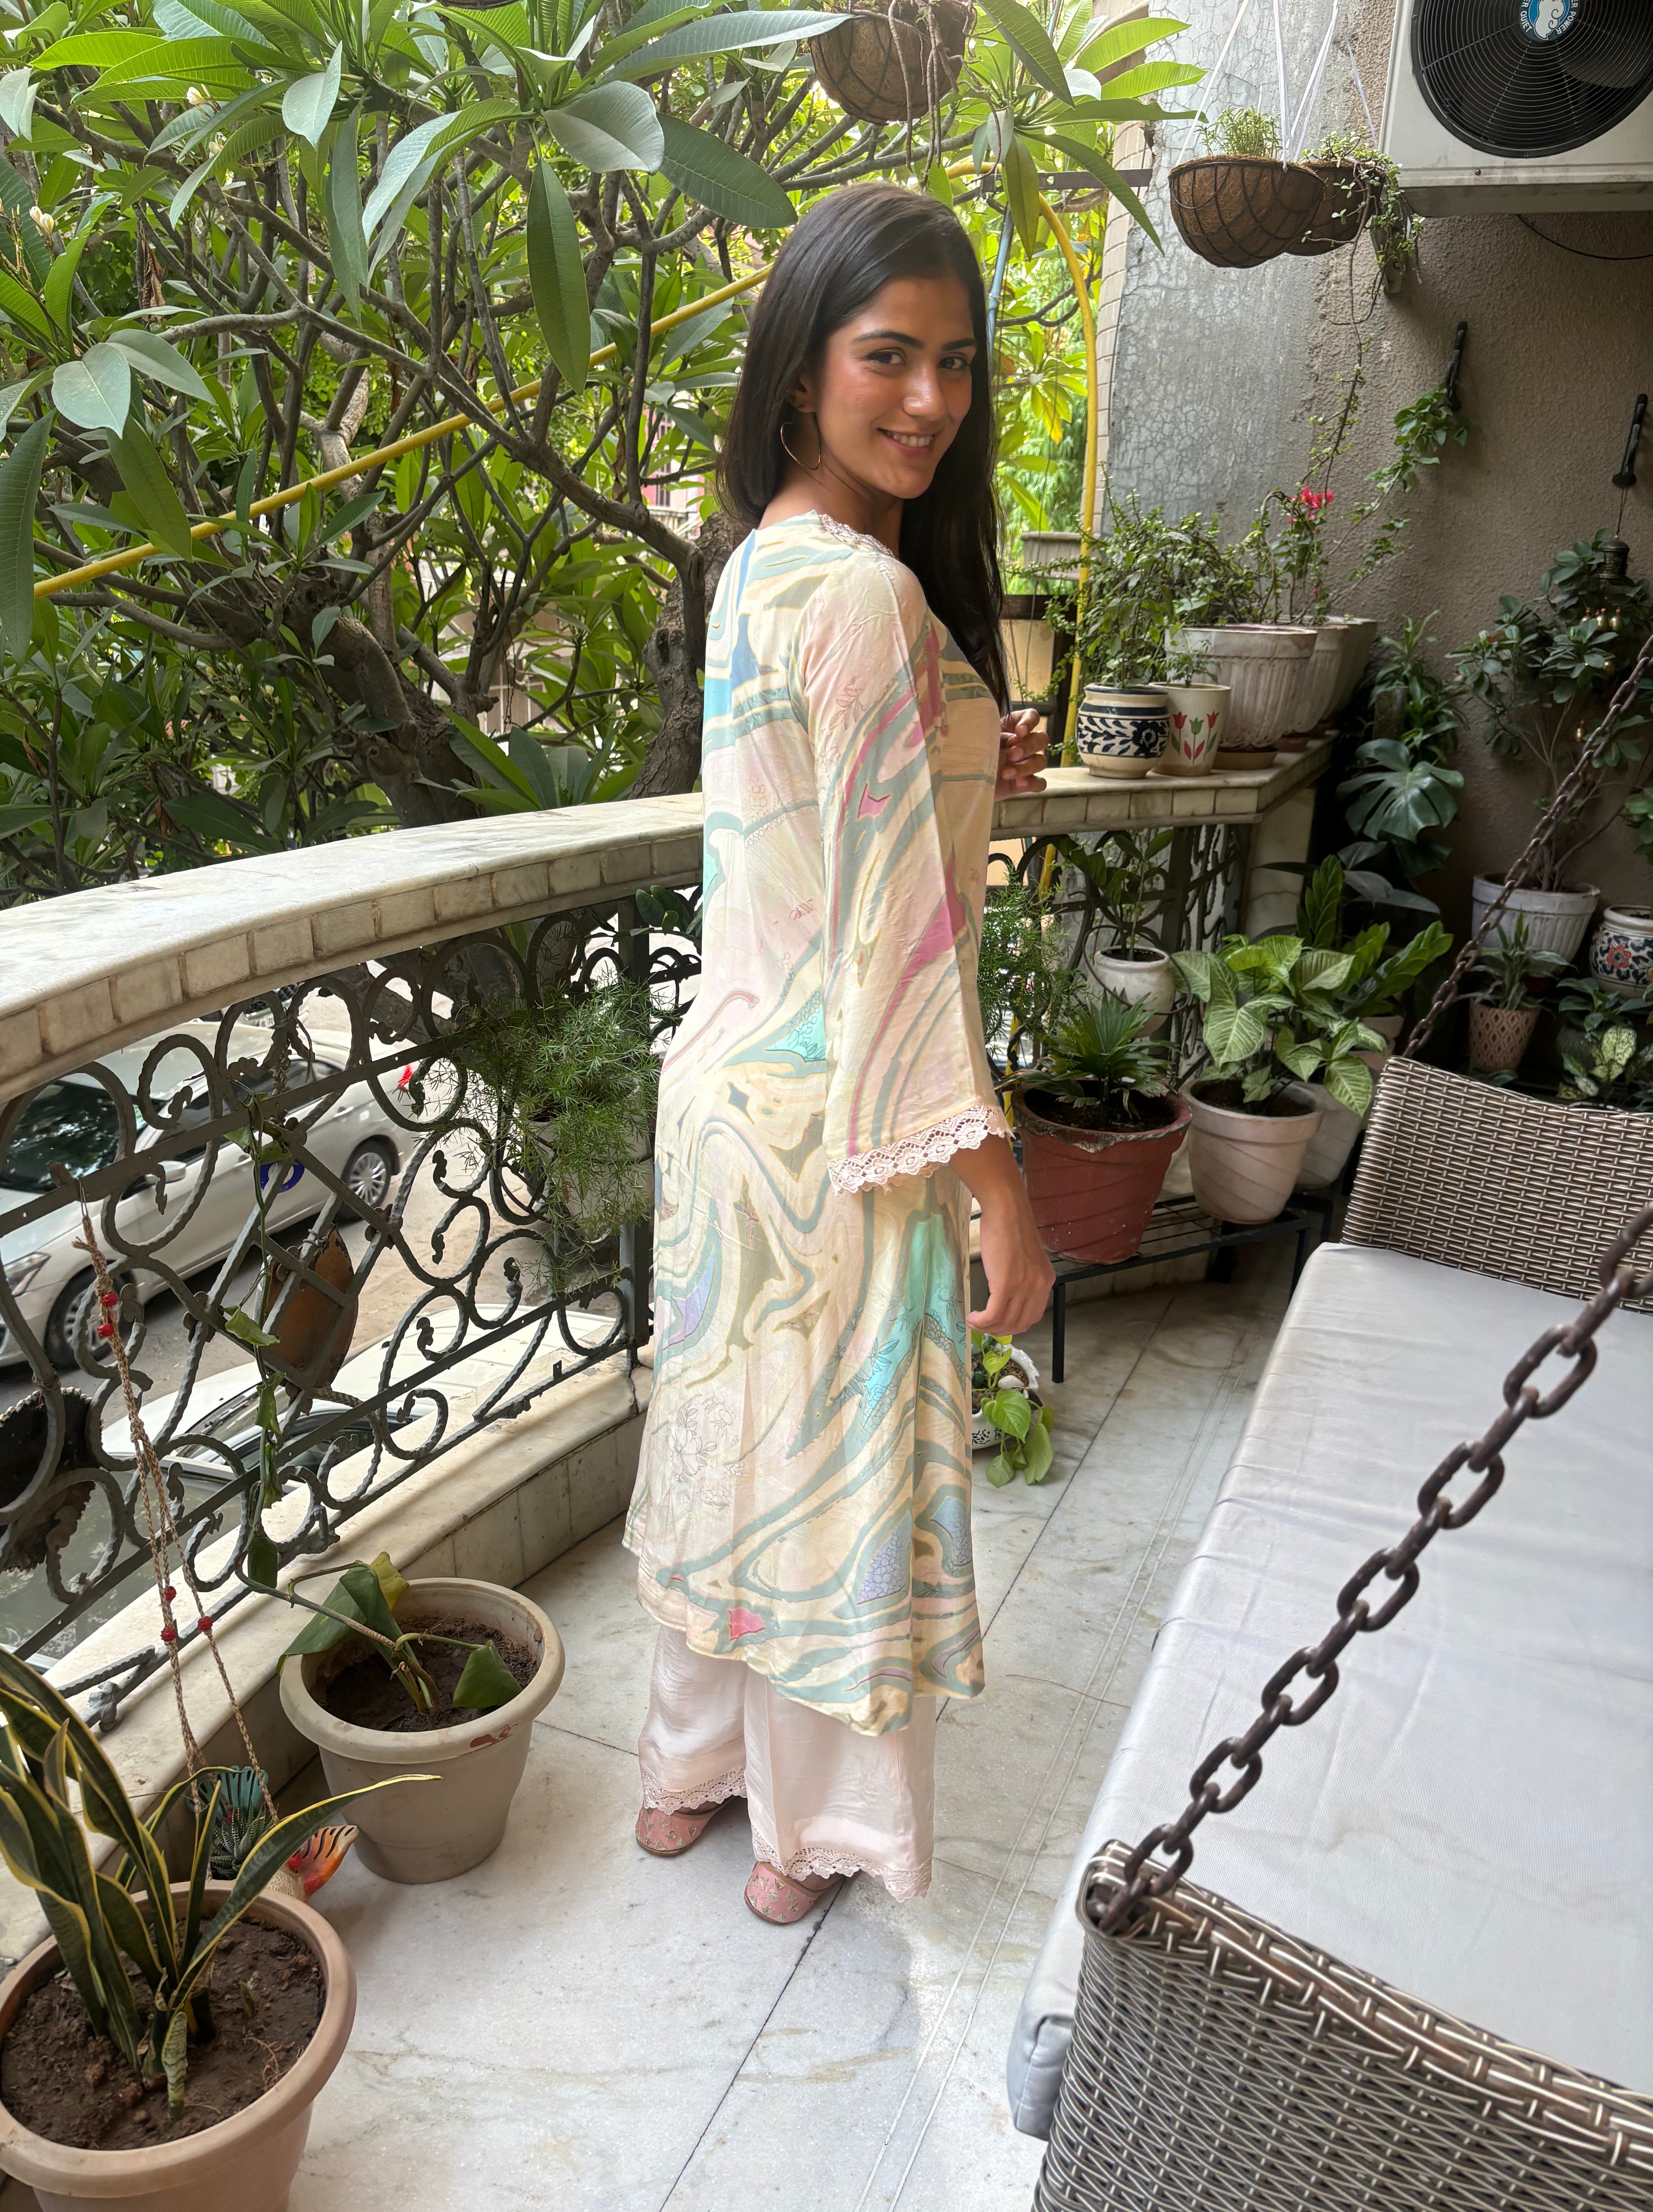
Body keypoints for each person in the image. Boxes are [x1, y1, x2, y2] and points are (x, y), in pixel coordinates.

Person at [623, 184, 1053, 1924]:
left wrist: (967, 751)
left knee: (734, 1449)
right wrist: (999, 1182)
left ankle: (685, 1776)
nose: (931, 400)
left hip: (731, 1089)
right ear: (801, 369)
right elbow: (895, 936)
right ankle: (805, 1840)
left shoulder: (759, 562)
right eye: (890, 357)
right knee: (830, 1485)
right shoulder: (866, 593)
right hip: (843, 1123)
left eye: (956, 362)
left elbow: (815, 821)